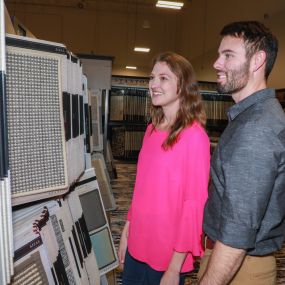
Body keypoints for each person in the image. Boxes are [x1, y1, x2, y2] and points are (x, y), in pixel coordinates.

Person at [198, 21, 285, 285]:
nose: (216, 63)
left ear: (257, 60)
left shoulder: (255, 128)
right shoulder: (253, 117)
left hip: (238, 267)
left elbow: (237, 234)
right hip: (234, 262)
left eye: (228, 55)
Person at [118, 52, 210, 285]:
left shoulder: (194, 136)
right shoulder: (151, 129)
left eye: (163, 78)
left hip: (167, 255)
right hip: (137, 244)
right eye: (151, 78)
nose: (154, 85)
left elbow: (194, 205)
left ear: (183, 86)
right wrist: (127, 231)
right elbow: (141, 188)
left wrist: (174, 268)